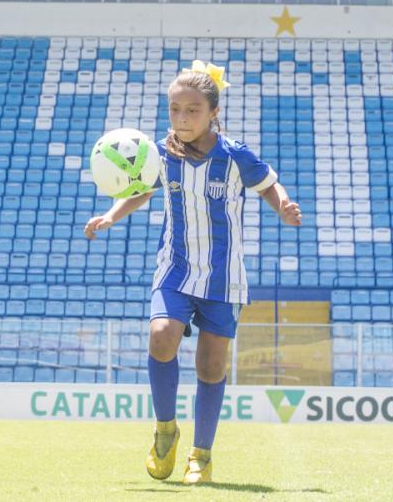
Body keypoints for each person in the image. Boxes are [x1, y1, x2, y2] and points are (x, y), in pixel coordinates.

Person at [84, 60, 302, 485]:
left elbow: (269, 185)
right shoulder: (160, 154)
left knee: (211, 365)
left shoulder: (236, 155)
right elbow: (141, 190)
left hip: (223, 276)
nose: (182, 118)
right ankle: (166, 430)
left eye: (192, 110)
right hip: (176, 269)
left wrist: (284, 207)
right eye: (175, 110)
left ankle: (202, 454)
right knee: (162, 334)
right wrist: (111, 215)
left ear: (212, 112)